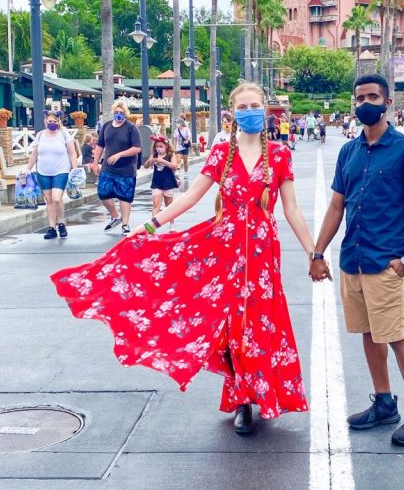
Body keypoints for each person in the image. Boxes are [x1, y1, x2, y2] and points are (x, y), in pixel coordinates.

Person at [52, 82, 317, 436]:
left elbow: (293, 210)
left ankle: (260, 393)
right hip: (223, 247)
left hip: (263, 252)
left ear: (265, 109)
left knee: (261, 322)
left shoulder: (280, 155)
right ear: (233, 112)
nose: (250, 112)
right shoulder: (223, 151)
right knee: (232, 324)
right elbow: (192, 196)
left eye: (256, 105)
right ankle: (242, 399)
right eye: (243, 107)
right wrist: (148, 225)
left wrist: (314, 252)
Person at [309, 74, 404, 447]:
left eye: (372, 97)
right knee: (369, 333)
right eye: (360, 97)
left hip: (385, 262)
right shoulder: (348, 152)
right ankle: (384, 402)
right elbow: (336, 206)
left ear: (387, 104)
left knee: (396, 336)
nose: (365, 102)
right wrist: (318, 253)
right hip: (354, 259)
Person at [26, 111, 79, 239]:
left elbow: (72, 153)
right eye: (49, 122)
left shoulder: (64, 135)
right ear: (45, 122)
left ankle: (61, 223)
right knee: (49, 200)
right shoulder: (40, 135)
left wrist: (75, 168)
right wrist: (27, 168)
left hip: (60, 170)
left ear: (58, 122)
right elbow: (34, 154)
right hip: (43, 171)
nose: (52, 124)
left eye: (54, 122)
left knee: (56, 198)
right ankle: (51, 227)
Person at [93, 100, 142, 235]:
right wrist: (95, 162)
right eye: (116, 112)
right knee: (103, 193)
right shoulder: (106, 126)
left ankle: (125, 224)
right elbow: (100, 146)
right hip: (108, 168)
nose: (119, 115)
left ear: (126, 114)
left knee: (124, 197)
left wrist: (120, 155)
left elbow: (137, 148)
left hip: (126, 169)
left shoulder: (131, 128)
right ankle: (115, 216)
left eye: (121, 113)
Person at [144, 134, 179, 225]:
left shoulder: (171, 155)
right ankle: (152, 226)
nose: (158, 148)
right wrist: (150, 161)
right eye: (157, 146)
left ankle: (172, 225)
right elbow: (146, 166)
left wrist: (162, 161)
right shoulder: (154, 155)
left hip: (168, 182)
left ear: (166, 146)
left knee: (169, 205)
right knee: (155, 204)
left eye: (161, 146)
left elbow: (174, 166)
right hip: (157, 182)